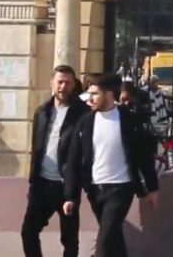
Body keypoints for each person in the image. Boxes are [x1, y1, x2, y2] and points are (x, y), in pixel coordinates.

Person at [62, 73, 160, 257]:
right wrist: (70, 195)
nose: (90, 98)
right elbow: (74, 159)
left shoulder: (129, 120)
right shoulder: (85, 122)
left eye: (95, 94)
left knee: (105, 239)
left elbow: (143, 157)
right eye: (89, 93)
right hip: (95, 189)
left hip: (121, 188)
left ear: (108, 94)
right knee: (113, 238)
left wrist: (152, 188)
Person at [22, 65, 90, 257]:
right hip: (42, 184)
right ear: (51, 83)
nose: (63, 86)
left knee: (69, 239)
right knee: (28, 232)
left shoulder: (83, 114)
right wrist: (32, 182)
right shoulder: (42, 112)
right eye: (59, 82)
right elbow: (37, 149)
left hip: (67, 186)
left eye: (68, 82)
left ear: (74, 85)